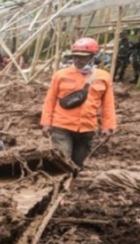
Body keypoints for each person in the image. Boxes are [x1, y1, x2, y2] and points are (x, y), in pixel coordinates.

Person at [41, 37, 117, 168]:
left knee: (78, 163)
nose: (78, 60)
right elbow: (50, 100)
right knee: (63, 159)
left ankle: (72, 182)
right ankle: (61, 184)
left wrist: (108, 126)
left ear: (93, 57)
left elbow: (108, 104)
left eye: (83, 57)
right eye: (75, 57)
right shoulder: (61, 75)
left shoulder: (103, 77)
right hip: (62, 126)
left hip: (87, 127)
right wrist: (46, 122)